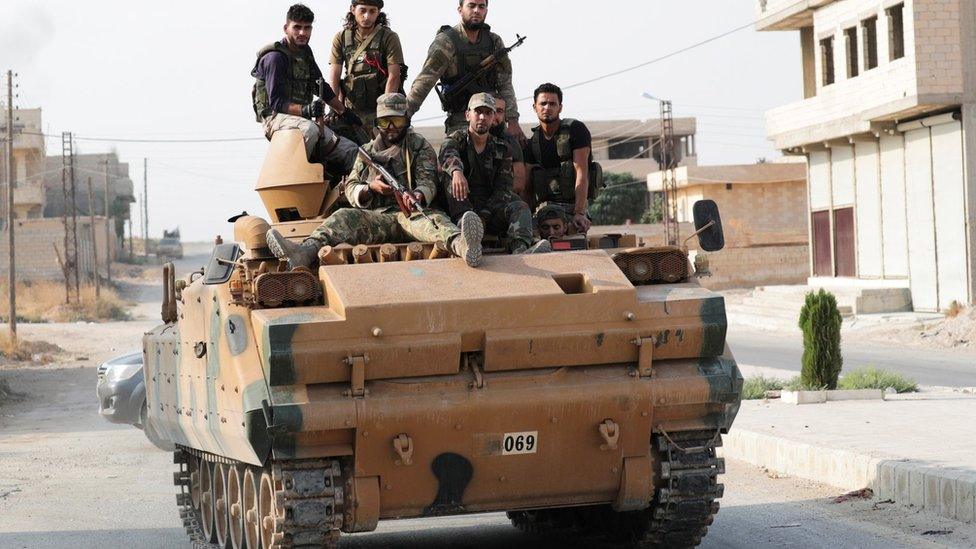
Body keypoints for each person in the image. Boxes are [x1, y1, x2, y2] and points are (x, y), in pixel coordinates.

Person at [267, 93, 485, 268]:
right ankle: (304, 252)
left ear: (406, 121)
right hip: (377, 218)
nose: (391, 127)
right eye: (385, 121)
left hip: (413, 214)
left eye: (397, 120)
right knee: (341, 217)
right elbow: (351, 186)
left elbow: (428, 181)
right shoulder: (367, 152)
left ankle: (463, 245)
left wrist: (418, 194)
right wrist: (370, 188)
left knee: (435, 221)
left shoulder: (419, 146)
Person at [251, 4, 359, 172]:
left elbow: (321, 86)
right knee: (309, 130)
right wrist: (306, 110)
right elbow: (277, 103)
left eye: (307, 28)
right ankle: (293, 174)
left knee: (350, 150)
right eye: (297, 27)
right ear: (286, 28)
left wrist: (344, 112)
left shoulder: (305, 53)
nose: (302, 33)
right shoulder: (275, 58)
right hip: (276, 119)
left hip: (303, 119)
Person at [439, 93, 548, 255]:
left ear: (493, 117)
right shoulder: (456, 140)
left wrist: (484, 216)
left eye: (488, 113)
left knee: (519, 206)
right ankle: (469, 243)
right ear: (468, 115)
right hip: (462, 209)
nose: (482, 117)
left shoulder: (502, 149)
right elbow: (447, 153)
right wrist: (456, 172)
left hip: (490, 211)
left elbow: (503, 189)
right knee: (451, 179)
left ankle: (520, 249)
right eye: (478, 112)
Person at [407, 0, 524, 138]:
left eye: (481, 6)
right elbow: (425, 82)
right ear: (460, 9)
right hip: (461, 121)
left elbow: (505, 83)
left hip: (492, 121)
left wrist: (513, 119)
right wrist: (403, 115)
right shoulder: (446, 42)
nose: (476, 10)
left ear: (486, 10)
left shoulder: (494, 41)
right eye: (471, 5)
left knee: (515, 151)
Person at [524, 82, 600, 234]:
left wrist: (579, 212)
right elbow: (527, 185)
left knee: (571, 234)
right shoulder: (532, 142)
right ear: (535, 107)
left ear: (560, 107)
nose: (547, 108)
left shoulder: (575, 130)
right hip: (544, 208)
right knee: (527, 235)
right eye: (543, 103)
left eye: (552, 103)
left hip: (572, 206)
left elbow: (581, 173)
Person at [328, 0, 404, 141]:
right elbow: (334, 77)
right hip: (351, 111)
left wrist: (385, 114)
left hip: (378, 109)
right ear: (353, 9)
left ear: (378, 12)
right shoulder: (341, 38)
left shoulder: (388, 37)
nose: (367, 16)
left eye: (372, 11)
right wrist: (334, 108)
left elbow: (394, 76)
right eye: (362, 11)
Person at [490, 96, 528, 201]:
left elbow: (519, 184)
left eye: (499, 111)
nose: (494, 116)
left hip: (501, 197)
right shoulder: (467, 138)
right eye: (490, 110)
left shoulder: (510, 142)